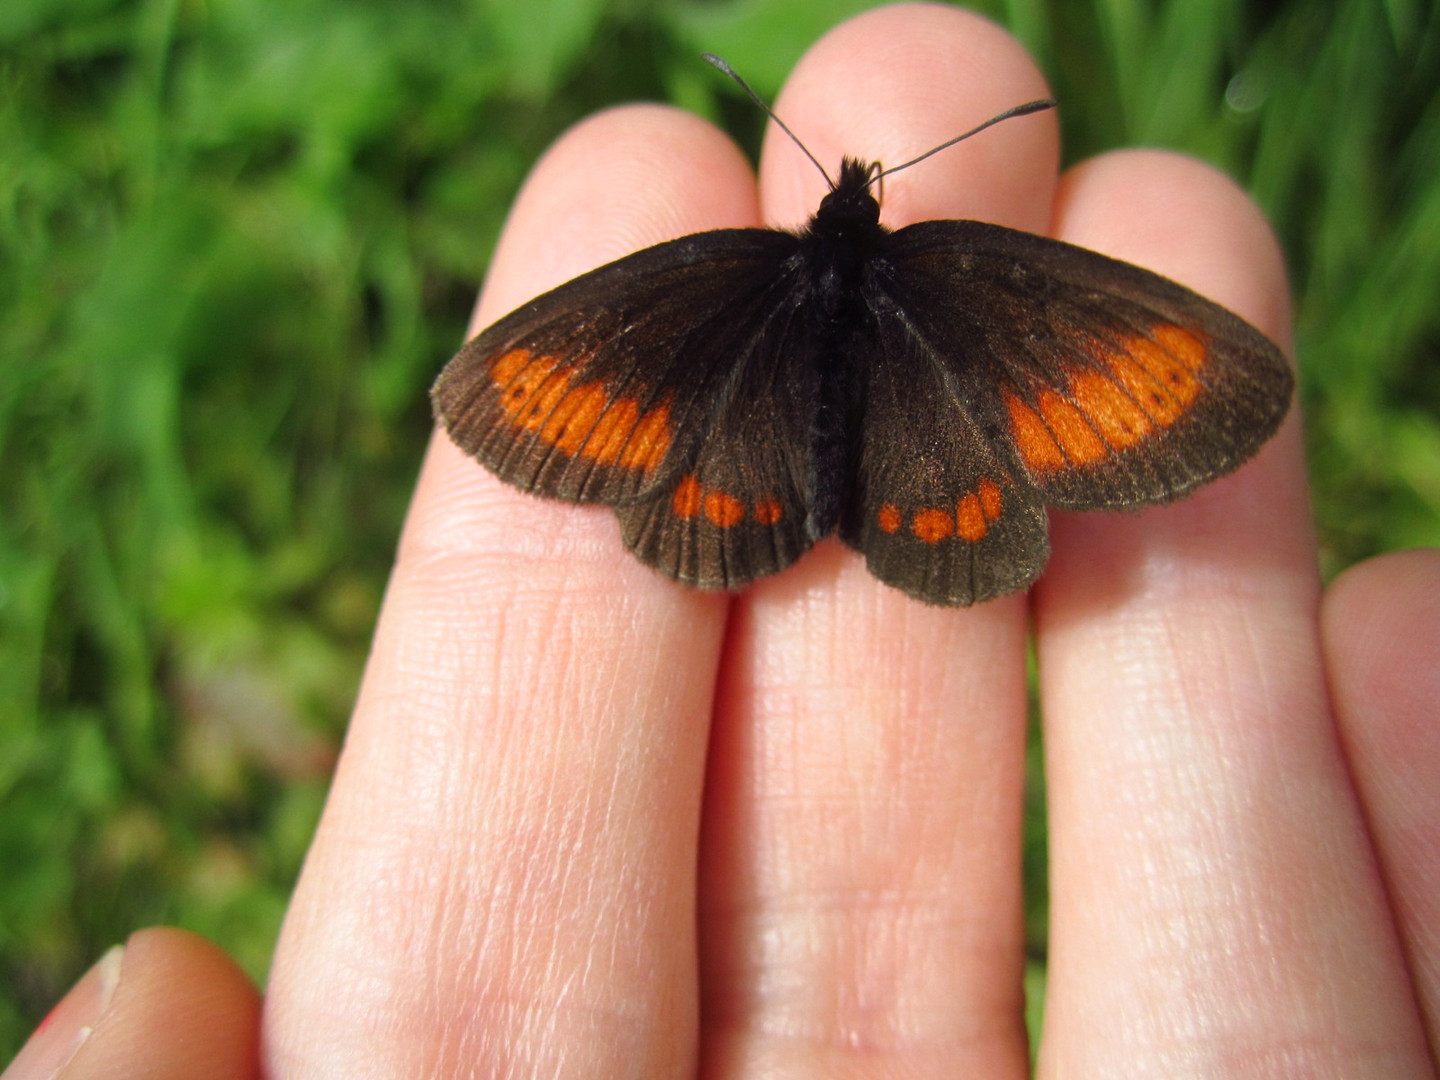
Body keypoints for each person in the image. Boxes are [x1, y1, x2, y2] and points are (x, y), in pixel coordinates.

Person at [6, 6, 1436, 1078]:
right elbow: (516, 385)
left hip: (743, 463)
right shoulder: (975, 280)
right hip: (925, 476)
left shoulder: (716, 279)